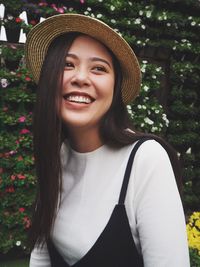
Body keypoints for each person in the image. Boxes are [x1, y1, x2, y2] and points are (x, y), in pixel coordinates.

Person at [25, 13, 190, 267]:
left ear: (115, 89)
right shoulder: (57, 154)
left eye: (99, 68)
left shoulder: (146, 160)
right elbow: (41, 253)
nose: (80, 77)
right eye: (67, 64)